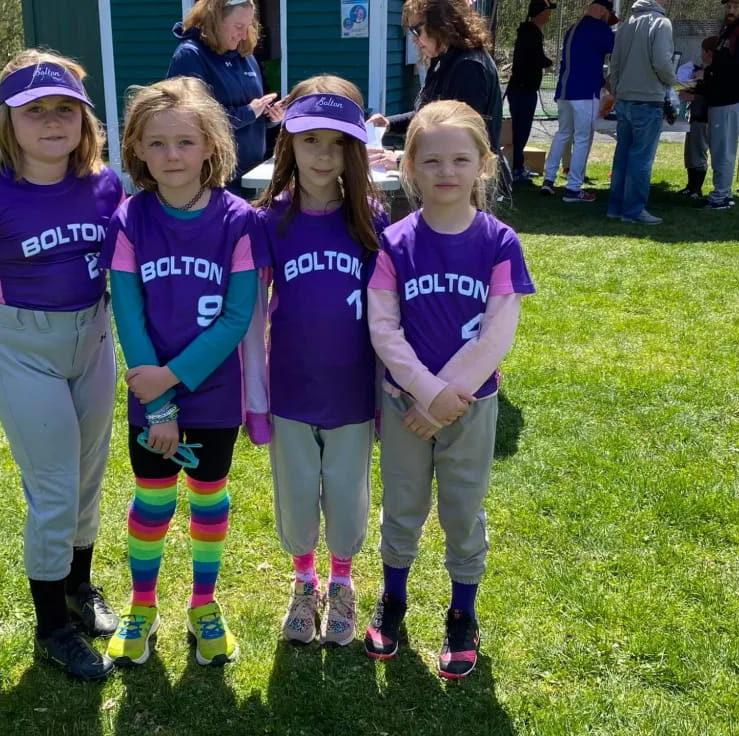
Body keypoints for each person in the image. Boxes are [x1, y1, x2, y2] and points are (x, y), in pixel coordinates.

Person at [0, 50, 124, 681]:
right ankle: (53, 628)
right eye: (33, 110)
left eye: (65, 108)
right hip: (23, 347)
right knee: (53, 489)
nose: (51, 122)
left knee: (88, 475)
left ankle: (79, 586)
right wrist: (15, 333)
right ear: (6, 122)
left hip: (93, 340)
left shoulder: (105, 184)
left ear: (85, 119)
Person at [364, 100, 535, 679]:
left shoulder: (499, 241)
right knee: (403, 507)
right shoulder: (396, 241)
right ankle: (394, 600)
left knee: (463, 510)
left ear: (484, 165)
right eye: (431, 159)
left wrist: (445, 398)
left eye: (461, 159)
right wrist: (421, 392)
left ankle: (463, 613)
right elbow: (382, 327)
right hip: (404, 404)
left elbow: (497, 333)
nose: (446, 171)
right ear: (409, 165)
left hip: (470, 406)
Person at [101, 76, 260, 668]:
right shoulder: (129, 219)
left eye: (186, 142)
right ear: (137, 149)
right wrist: (159, 404)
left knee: (209, 497)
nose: (172, 155)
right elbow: (128, 310)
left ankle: (203, 603)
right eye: (158, 143)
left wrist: (172, 382)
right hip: (151, 394)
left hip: (213, 394)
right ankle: (143, 606)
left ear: (211, 147)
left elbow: (238, 316)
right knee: (152, 499)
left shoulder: (239, 221)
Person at [251, 75, 387, 646]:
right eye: (310, 140)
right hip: (291, 390)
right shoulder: (269, 221)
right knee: (299, 496)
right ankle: (303, 582)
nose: (323, 153)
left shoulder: (372, 220)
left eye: (337, 142)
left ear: (354, 150)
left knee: (349, 500)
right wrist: (255, 399)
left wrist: (385, 396)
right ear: (288, 143)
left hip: (353, 393)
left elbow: (389, 317)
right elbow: (252, 315)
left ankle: (342, 580)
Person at [367, 0, 503, 168]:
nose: (414, 40)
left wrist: (400, 161)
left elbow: (460, 141)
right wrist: (388, 123)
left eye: (417, 30)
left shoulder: (468, 67)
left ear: (441, 22)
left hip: (471, 186)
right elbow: (429, 117)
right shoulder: (444, 60)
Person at [167, 0, 283, 195]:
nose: (244, 34)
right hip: (213, 183)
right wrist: (249, 112)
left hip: (251, 178)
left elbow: (253, 117)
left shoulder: (246, 55)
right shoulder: (190, 56)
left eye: (248, 27)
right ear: (215, 19)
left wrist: (270, 117)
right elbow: (189, 121)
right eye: (239, 26)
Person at [539, 0, 616, 202]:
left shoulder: (573, 27)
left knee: (563, 134)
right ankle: (573, 188)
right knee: (583, 138)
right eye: (608, 16)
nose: (608, 21)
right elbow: (615, 49)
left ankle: (548, 179)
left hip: (565, 91)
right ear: (603, 10)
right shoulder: (599, 28)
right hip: (584, 92)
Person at [606, 0, 676, 225]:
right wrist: (672, 82)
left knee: (622, 156)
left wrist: (618, 89)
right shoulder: (661, 24)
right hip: (648, 100)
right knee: (641, 159)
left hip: (624, 99)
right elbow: (662, 63)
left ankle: (615, 207)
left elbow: (613, 63)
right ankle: (634, 210)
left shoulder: (626, 25)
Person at [700, 0, 739, 210]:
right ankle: (720, 193)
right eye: (728, 6)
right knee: (718, 150)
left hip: (732, 98)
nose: (730, 10)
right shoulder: (729, 31)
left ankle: (721, 197)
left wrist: (712, 68)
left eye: (736, 6)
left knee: (723, 151)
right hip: (720, 98)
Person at [506, 0, 555, 182]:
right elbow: (536, 58)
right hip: (523, 89)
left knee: (521, 129)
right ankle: (516, 169)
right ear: (540, 13)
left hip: (521, 89)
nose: (549, 16)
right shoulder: (531, 33)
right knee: (521, 130)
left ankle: (517, 166)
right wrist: (548, 62)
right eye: (548, 11)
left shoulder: (529, 32)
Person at [678, 37, 717, 199]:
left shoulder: (713, 73)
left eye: (702, 50)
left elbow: (712, 96)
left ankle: (696, 189)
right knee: (690, 152)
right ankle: (690, 186)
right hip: (695, 116)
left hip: (704, 118)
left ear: (708, 52)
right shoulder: (702, 70)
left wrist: (693, 97)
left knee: (698, 152)